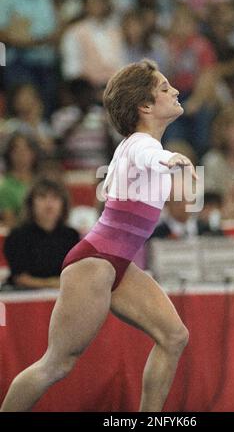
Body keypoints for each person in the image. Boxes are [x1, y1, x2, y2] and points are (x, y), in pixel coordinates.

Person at [0, 59, 197, 412]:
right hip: (94, 263)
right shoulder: (141, 145)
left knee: (174, 336)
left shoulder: (129, 148)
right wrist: (172, 160)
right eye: (166, 87)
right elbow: (148, 156)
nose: (176, 90)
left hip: (117, 265)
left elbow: (116, 185)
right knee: (56, 364)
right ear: (145, 106)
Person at [4, 178, 80, 290]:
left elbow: (77, 273)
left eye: (55, 198)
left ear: (63, 204)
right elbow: (20, 278)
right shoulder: (17, 236)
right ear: (31, 203)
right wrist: (52, 284)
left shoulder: (71, 236)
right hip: (24, 298)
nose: (49, 204)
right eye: (42, 197)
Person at [0, 132, 42, 228]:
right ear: (9, 155)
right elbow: (9, 224)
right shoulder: (5, 187)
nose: (22, 155)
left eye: (26, 150)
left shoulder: (42, 181)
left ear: (34, 153)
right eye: (16, 151)